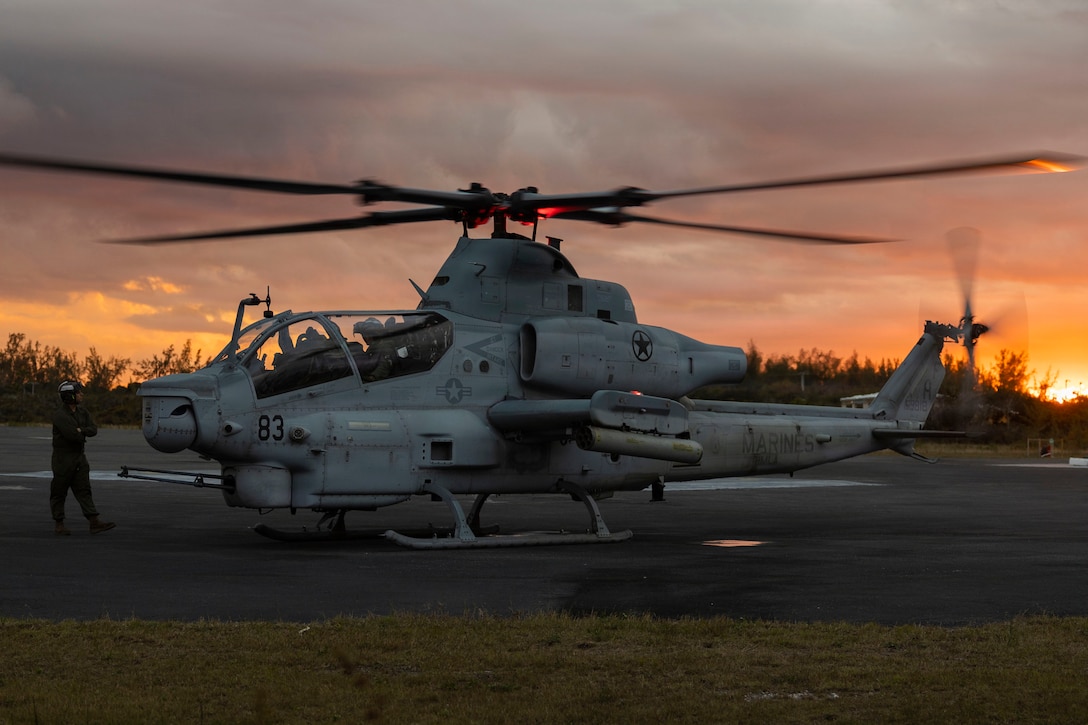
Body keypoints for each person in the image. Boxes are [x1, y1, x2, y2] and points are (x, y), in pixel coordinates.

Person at [50, 380, 115, 536]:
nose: (81, 394)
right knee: (59, 491)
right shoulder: (60, 415)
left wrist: (81, 430)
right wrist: (80, 432)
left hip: (79, 457)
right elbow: (72, 435)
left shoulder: (82, 412)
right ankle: (59, 523)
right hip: (63, 459)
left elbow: (93, 430)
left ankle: (94, 522)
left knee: (84, 489)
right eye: (78, 392)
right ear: (69, 396)